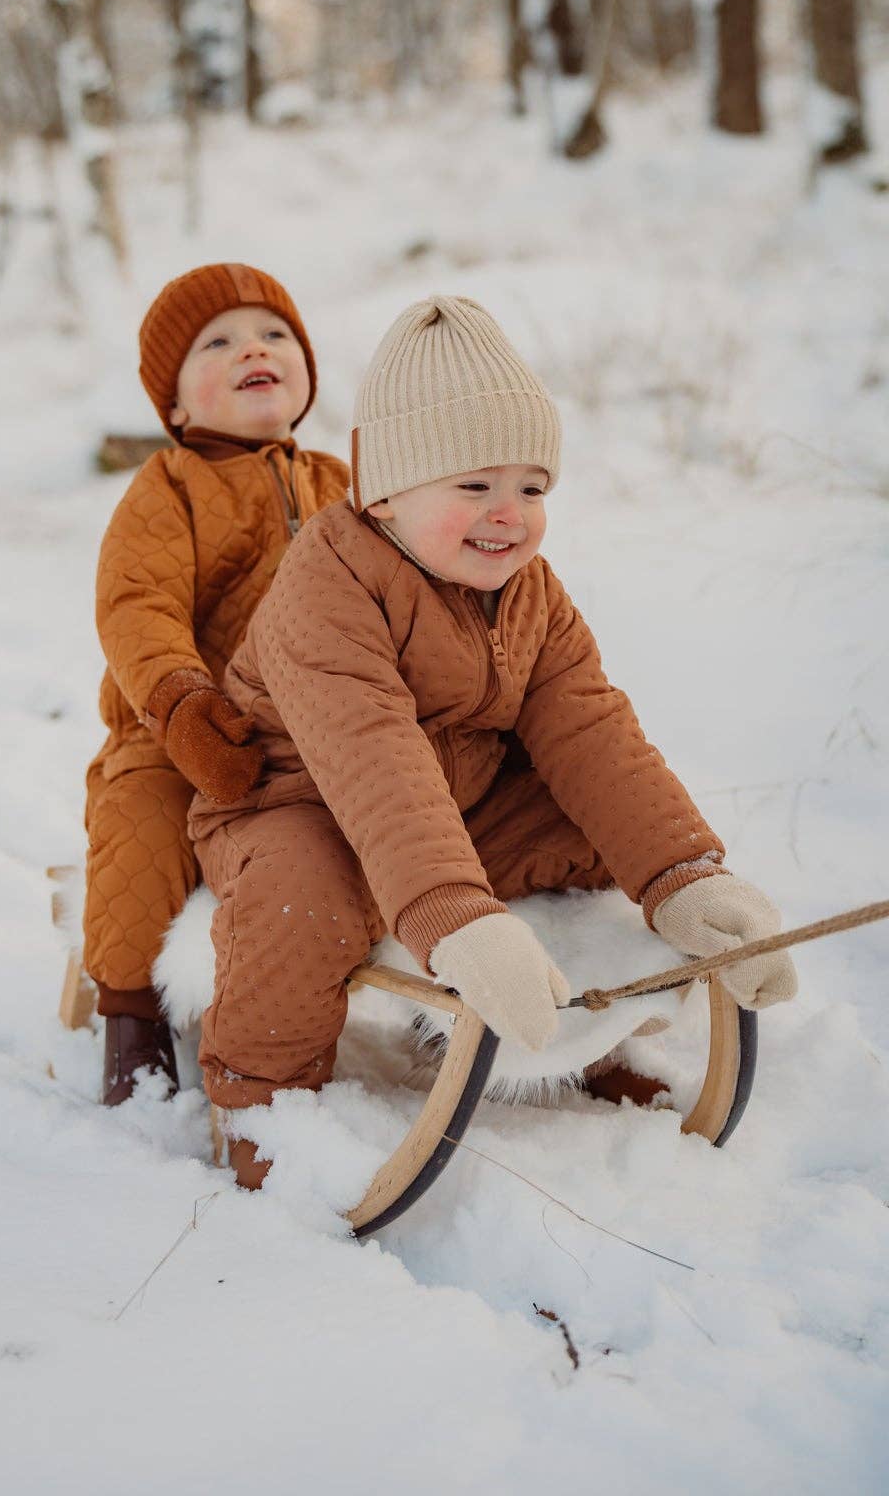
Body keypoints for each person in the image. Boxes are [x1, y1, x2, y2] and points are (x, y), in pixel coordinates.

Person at [188, 295, 797, 1188]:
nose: (507, 513)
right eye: (474, 485)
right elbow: (372, 756)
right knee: (300, 896)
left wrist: (681, 874)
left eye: (531, 487)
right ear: (385, 491)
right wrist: (455, 914)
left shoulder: (529, 593)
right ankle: (262, 1099)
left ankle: (573, 1040)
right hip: (298, 805)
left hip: (450, 815)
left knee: (587, 826)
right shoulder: (328, 587)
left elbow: (592, 731)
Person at [84, 263, 349, 1105]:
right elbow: (138, 605)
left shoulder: (343, 487)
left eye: (274, 335)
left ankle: (431, 980)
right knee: (140, 825)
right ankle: (132, 1017)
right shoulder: (168, 489)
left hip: (323, 730)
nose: (253, 349)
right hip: (186, 732)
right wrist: (180, 707)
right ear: (175, 407)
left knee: (410, 812)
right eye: (220, 341)